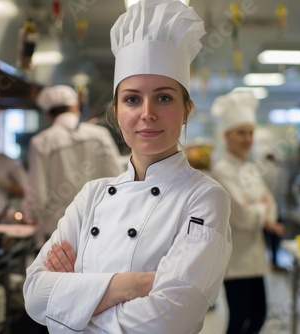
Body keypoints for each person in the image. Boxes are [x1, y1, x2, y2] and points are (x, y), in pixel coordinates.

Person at [23, 1, 232, 333]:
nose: (147, 113)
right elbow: (34, 296)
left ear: (186, 110)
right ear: (117, 110)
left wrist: (73, 305)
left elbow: (169, 321)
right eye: (133, 99)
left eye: (164, 98)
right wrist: (133, 285)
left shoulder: (204, 197)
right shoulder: (92, 195)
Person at [210, 91, 285, 334]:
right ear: (226, 136)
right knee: (239, 319)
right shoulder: (222, 170)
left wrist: (261, 210)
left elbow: (271, 206)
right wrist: (261, 209)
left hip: (255, 257)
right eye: (241, 133)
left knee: (258, 316)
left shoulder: (249, 168)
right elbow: (241, 215)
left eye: (250, 132)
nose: (247, 138)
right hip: (236, 260)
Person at [23, 84, 124, 247]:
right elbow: (118, 180)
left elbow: (38, 196)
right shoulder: (100, 135)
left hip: (59, 234)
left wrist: (30, 215)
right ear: (76, 106)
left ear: (48, 114)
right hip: (99, 229)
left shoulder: (41, 142)